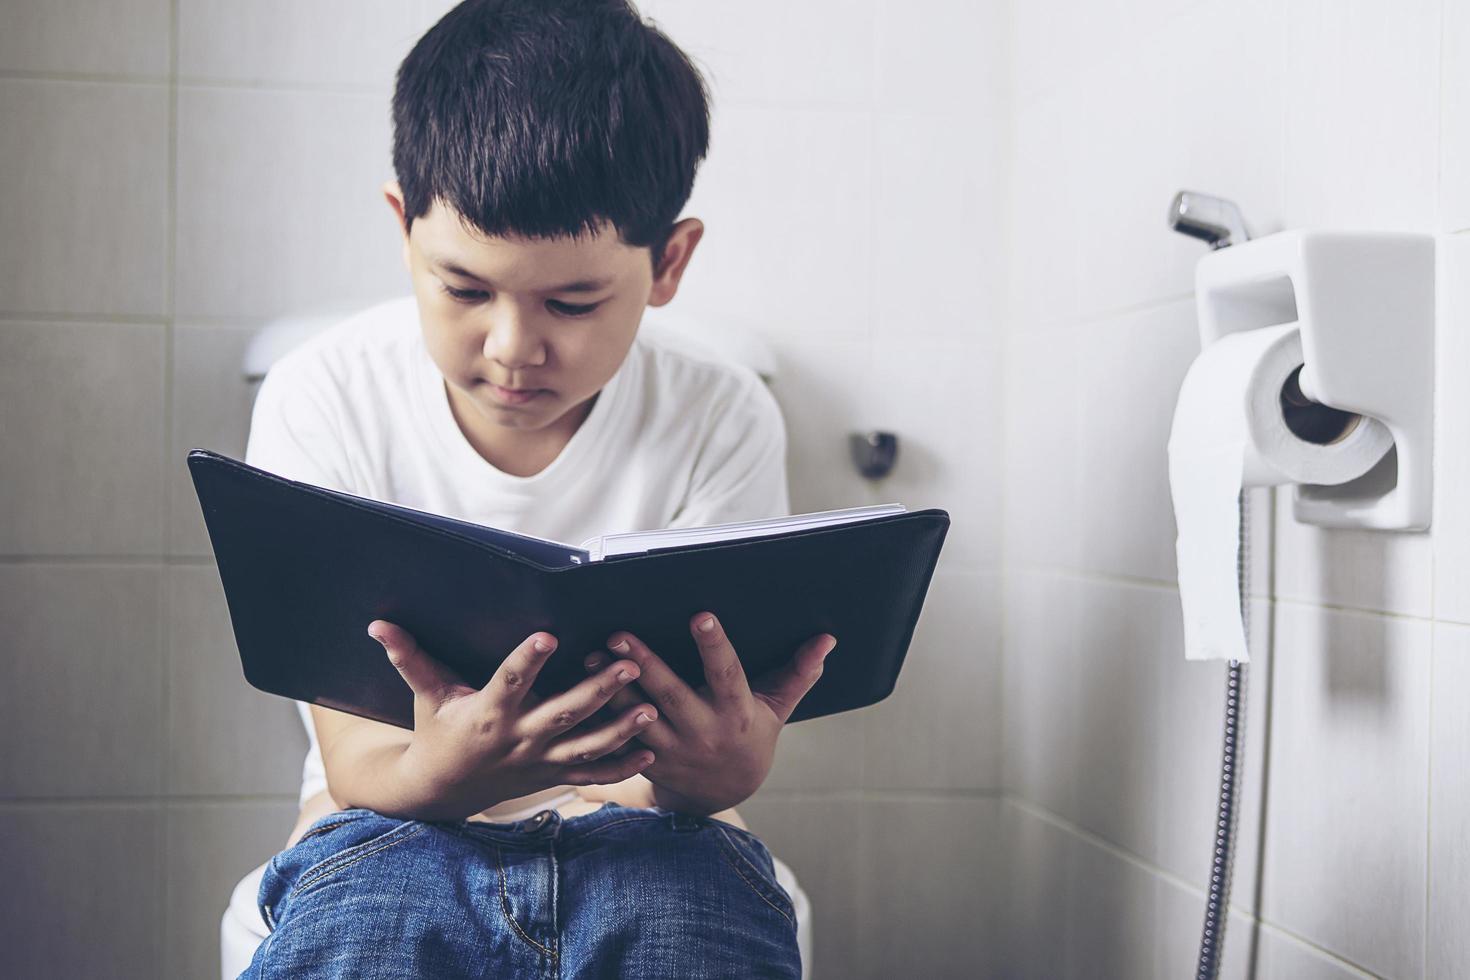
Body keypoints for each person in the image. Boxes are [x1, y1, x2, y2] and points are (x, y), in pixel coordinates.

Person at [238, 1, 834, 976]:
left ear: (669, 263)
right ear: (404, 228)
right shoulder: (325, 394)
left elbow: (706, 771)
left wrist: (731, 763)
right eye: (465, 289)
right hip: (388, 824)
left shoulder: (721, 412)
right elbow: (360, 767)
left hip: (645, 834)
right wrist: (454, 764)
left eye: (572, 301)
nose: (514, 348)